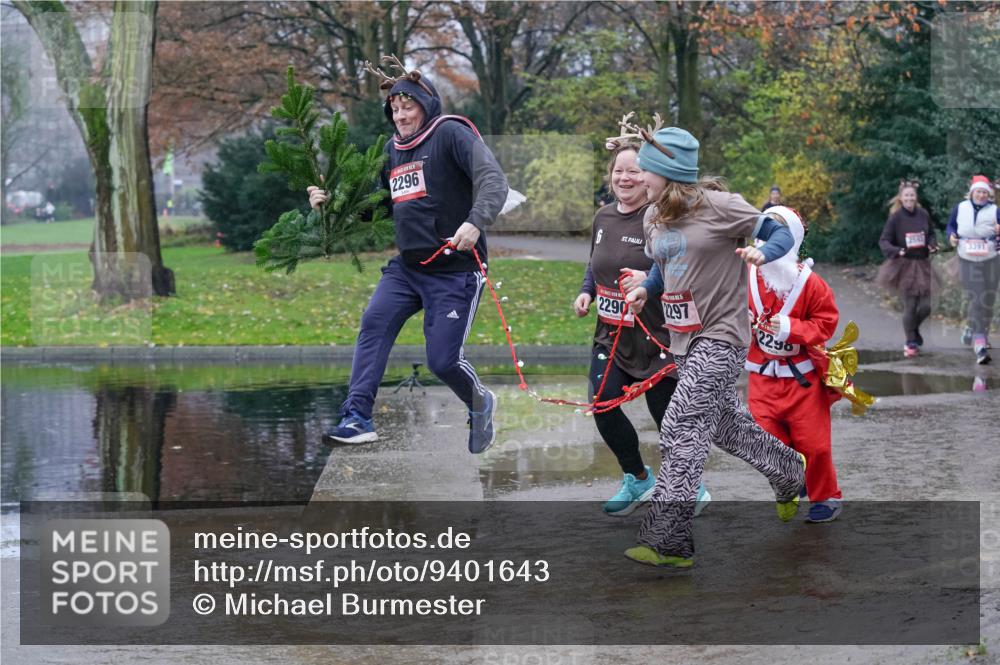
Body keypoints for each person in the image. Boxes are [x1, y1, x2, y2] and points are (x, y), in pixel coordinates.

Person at [619, 122, 806, 568]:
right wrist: (648, 286)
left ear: (668, 173)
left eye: (645, 172)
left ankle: (668, 538)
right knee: (722, 427)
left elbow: (777, 229)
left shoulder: (719, 207)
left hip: (722, 334)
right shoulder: (653, 216)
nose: (638, 179)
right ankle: (788, 470)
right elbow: (667, 263)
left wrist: (764, 252)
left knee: (681, 423)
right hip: (684, 340)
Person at [309, 57, 510, 451]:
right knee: (374, 322)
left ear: (426, 104)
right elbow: (375, 207)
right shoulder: (393, 150)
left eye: (408, 106)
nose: (400, 115)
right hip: (408, 269)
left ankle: (480, 400)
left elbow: (493, 180)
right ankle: (357, 417)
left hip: (456, 271)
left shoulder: (450, 133)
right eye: (394, 109)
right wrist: (331, 202)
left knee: (442, 362)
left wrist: (474, 222)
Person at [574, 136, 710, 517]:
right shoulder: (602, 217)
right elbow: (594, 261)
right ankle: (637, 477)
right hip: (612, 333)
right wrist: (587, 292)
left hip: (658, 336)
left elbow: (682, 265)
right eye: (618, 171)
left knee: (666, 416)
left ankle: (691, 486)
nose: (625, 178)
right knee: (602, 403)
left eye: (633, 171)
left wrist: (648, 278)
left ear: (648, 175)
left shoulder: (661, 217)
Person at [746, 206, 843, 522]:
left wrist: (790, 329)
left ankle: (826, 496)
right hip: (762, 379)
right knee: (766, 442)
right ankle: (793, 476)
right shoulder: (744, 276)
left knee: (815, 446)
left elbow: (826, 324)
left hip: (803, 382)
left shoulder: (810, 283)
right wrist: (740, 322)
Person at [877, 180, 939, 357]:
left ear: (916, 197)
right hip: (903, 265)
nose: (910, 198)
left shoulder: (923, 214)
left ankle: (914, 330)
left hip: (923, 264)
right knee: (910, 306)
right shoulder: (895, 218)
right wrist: (898, 251)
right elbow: (884, 241)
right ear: (901, 198)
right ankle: (910, 341)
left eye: (912, 195)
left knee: (926, 306)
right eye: (906, 196)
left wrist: (932, 245)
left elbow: (932, 234)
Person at [945, 175, 999, 365]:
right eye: (979, 191)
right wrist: (951, 236)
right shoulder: (960, 207)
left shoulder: (995, 210)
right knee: (977, 298)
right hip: (967, 260)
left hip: (991, 260)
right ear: (972, 192)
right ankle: (979, 343)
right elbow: (951, 226)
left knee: (988, 301)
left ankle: (974, 330)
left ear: (989, 195)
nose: (981, 195)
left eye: (985, 192)